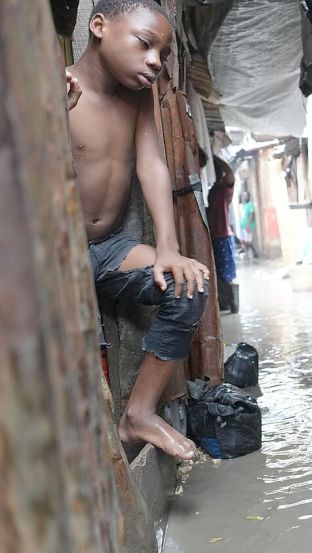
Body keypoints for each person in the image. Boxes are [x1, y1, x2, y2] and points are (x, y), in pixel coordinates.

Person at [67, 0, 208, 460]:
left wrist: (168, 247)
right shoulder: (56, 89)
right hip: (49, 256)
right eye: (145, 44)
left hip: (109, 248)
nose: (154, 60)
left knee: (187, 286)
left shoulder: (139, 96)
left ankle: (139, 415)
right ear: (99, 26)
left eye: (162, 55)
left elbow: (150, 164)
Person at [205, 150, 238, 313]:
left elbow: (230, 173)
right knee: (218, 273)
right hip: (215, 237)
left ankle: (231, 303)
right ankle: (226, 303)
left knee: (225, 274)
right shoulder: (212, 191)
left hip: (222, 237)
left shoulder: (224, 190)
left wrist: (213, 156)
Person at [237, 189, 258, 260]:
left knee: (248, 241)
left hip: (248, 226)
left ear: (249, 197)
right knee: (245, 240)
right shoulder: (244, 205)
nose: (244, 197)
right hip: (243, 226)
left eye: (246, 196)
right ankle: (248, 253)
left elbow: (252, 215)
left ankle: (253, 252)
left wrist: (248, 225)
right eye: (243, 196)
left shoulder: (250, 204)